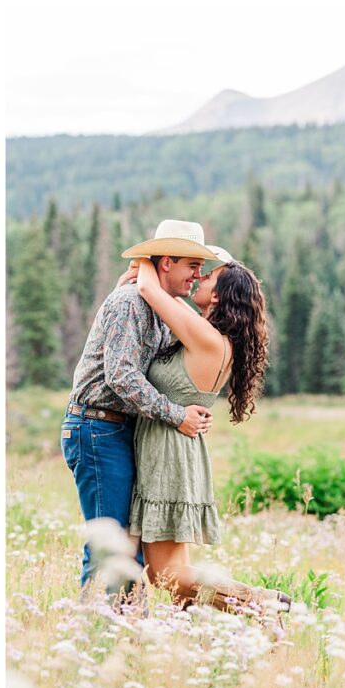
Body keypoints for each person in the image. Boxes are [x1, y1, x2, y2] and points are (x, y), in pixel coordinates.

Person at [120, 240, 292, 619]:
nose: (198, 275)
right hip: (172, 445)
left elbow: (150, 289)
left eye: (209, 274)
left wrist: (147, 260)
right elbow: (161, 298)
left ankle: (263, 601)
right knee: (170, 576)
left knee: (165, 574)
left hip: (168, 452)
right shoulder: (205, 333)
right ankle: (227, 625)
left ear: (221, 294)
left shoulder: (208, 339)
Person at [61, 220, 217, 598]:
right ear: (165, 263)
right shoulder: (129, 302)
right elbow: (121, 377)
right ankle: (97, 633)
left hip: (119, 430)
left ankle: (127, 632)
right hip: (97, 429)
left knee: (128, 543)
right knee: (111, 543)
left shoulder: (161, 308)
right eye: (191, 266)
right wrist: (176, 415)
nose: (198, 276)